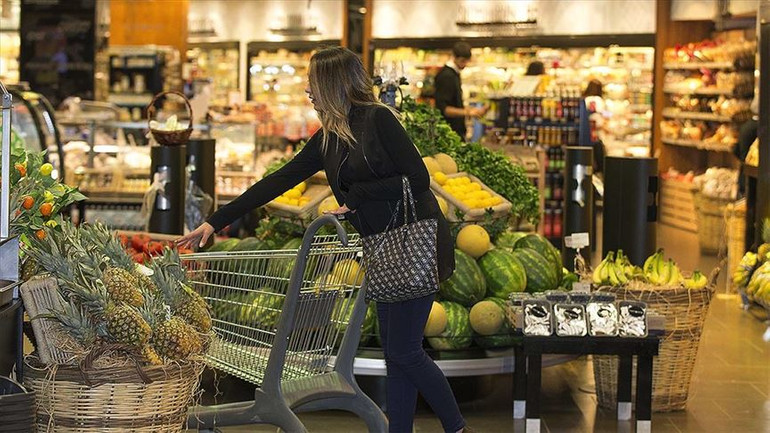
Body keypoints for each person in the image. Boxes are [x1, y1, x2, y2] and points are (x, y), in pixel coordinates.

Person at [177, 47, 473, 433]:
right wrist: (215, 221)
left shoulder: (379, 120)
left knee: (404, 351)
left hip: (417, 244)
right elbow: (280, 180)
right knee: (397, 354)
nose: (307, 90)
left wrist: (354, 199)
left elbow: (417, 179)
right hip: (383, 249)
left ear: (333, 84)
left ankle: (458, 427)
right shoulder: (330, 138)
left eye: (313, 82)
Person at [433, 41, 486, 140]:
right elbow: (444, 109)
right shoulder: (447, 76)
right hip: (448, 132)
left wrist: (470, 109)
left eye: (466, 61)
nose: (464, 64)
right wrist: (468, 112)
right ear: (454, 57)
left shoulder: (454, 73)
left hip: (453, 131)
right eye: (462, 61)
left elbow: (453, 102)